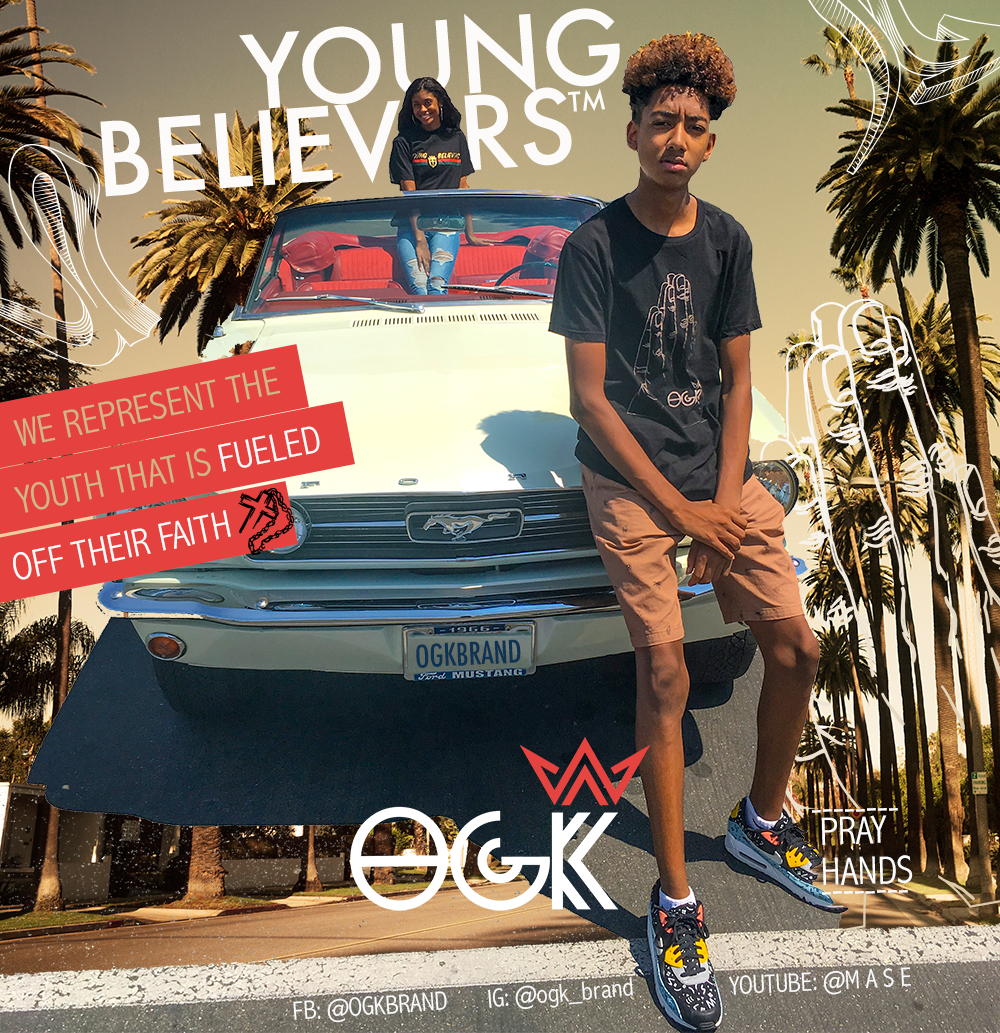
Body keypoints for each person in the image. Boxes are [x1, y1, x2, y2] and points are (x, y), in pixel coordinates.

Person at [549, 33, 840, 1031]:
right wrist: (679, 517)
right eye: (661, 123)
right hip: (628, 481)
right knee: (666, 669)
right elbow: (590, 403)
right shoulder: (592, 246)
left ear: (710, 143)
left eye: (695, 127)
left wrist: (720, 510)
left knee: (796, 647)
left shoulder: (729, 239)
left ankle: (759, 822)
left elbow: (738, 381)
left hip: (716, 476)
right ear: (632, 131)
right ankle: (674, 899)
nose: (677, 138)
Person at [388, 77, 491, 294]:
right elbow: (410, 192)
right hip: (411, 227)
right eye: (416, 105)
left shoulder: (455, 137)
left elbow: (463, 186)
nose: (423, 109)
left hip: (447, 225)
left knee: (436, 286)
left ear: (440, 103)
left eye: (428, 103)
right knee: (419, 288)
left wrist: (469, 233)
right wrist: (419, 240)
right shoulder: (403, 142)